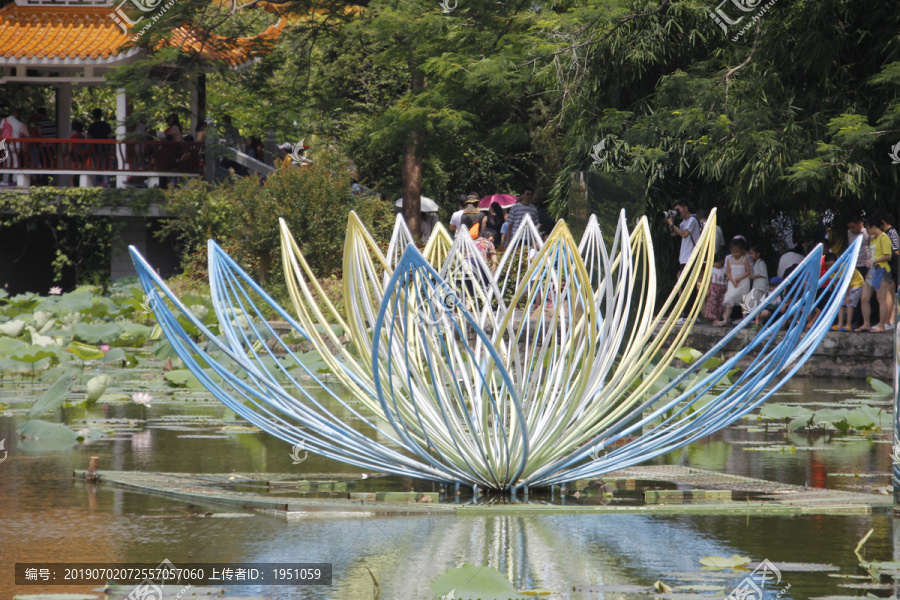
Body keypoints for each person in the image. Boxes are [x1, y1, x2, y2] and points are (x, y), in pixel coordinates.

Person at [855, 219, 894, 332]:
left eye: (868, 228)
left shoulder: (884, 237)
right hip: (872, 270)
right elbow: (872, 254)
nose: (867, 230)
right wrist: (869, 260)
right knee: (864, 298)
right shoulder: (873, 240)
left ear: (873, 227)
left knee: (881, 298)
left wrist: (875, 260)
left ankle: (882, 325)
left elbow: (888, 256)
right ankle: (866, 323)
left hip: (881, 269)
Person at [715, 239, 751, 327]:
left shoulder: (744, 259)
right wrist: (733, 281)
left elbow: (748, 271)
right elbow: (727, 272)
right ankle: (725, 319)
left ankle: (744, 319)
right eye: (734, 252)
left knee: (743, 300)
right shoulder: (729, 259)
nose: (735, 254)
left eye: (737, 252)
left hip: (743, 281)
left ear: (741, 251)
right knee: (729, 299)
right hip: (732, 281)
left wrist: (740, 278)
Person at [665, 201, 700, 280]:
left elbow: (684, 234)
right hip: (684, 259)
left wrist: (671, 224)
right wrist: (672, 220)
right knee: (684, 285)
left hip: (691, 257)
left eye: (678, 209)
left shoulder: (692, 219)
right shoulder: (684, 222)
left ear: (685, 208)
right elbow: (673, 233)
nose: (677, 212)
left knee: (688, 286)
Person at [1, 107, 28, 185]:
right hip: (16, 145)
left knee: (7, 162)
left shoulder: (4, 120)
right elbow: (21, 135)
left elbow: (1, 132)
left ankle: (5, 181)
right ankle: (15, 180)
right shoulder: (19, 123)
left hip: (6, 144)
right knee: (15, 162)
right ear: (16, 113)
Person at [833, 265, 865, 332]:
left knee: (849, 303)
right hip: (845, 287)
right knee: (840, 304)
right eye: (828, 266)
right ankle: (840, 324)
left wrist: (847, 296)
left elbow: (846, 283)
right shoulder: (831, 270)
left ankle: (848, 325)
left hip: (856, 285)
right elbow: (834, 282)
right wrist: (838, 292)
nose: (829, 267)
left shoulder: (844, 268)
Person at [87, 108, 113, 186]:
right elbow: (110, 136)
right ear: (101, 115)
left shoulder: (92, 126)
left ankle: (99, 181)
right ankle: (107, 181)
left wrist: (90, 148)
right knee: (106, 164)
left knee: (97, 164)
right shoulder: (106, 125)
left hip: (95, 149)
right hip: (106, 148)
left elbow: (89, 138)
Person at [877, 211, 899, 289]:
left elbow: (896, 250)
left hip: (893, 264)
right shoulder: (887, 233)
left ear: (882, 221)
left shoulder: (891, 232)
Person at [703, 254, 727, 322]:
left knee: (721, 302)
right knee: (713, 302)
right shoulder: (713, 270)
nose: (715, 264)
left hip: (723, 287)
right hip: (714, 287)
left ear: (722, 261)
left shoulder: (725, 269)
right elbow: (710, 280)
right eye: (714, 262)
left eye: (717, 262)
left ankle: (719, 316)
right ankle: (712, 317)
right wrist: (708, 289)